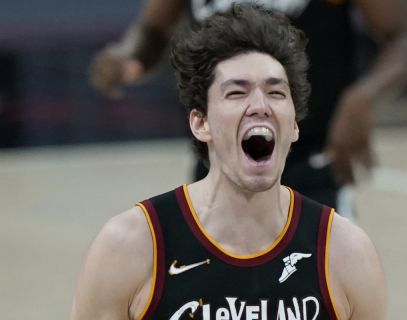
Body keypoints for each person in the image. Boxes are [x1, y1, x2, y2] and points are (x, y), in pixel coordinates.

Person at [72, 4, 386, 319]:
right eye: (237, 93)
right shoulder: (129, 247)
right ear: (200, 123)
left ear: (294, 125)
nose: (260, 105)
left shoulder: (346, 253)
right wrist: (129, 55)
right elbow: (152, 28)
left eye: (276, 93)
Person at [89, 0, 407, 216]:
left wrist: (362, 98)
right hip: (217, 167)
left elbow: (406, 39)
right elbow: (152, 30)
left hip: (311, 163)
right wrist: (127, 56)